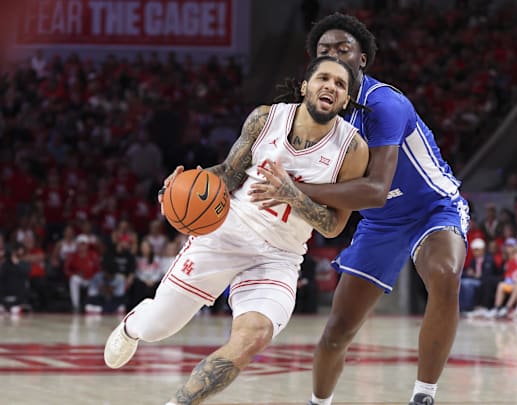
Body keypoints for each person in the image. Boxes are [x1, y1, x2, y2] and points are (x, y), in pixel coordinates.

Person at [103, 56, 369, 405]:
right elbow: (230, 173)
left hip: (280, 256)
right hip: (227, 232)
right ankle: (133, 325)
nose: (331, 87)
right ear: (305, 86)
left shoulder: (352, 149)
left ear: (346, 100)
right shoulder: (265, 118)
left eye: (340, 84)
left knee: (252, 338)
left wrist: (292, 194)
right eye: (324, 78)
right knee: (159, 327)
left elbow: (334, 226)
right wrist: (183, 185)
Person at [249, 13, 469, 405]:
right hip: (379, 223)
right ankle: (319, 403)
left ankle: (424, 395)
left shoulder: (386, 103)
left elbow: (376, 189)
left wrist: (294, 189)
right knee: (338, 330)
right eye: (324, 51)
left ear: (361, 59)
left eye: (343, 49)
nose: (334, 55)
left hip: (431, 209)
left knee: (445, 274)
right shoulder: (314, 113)